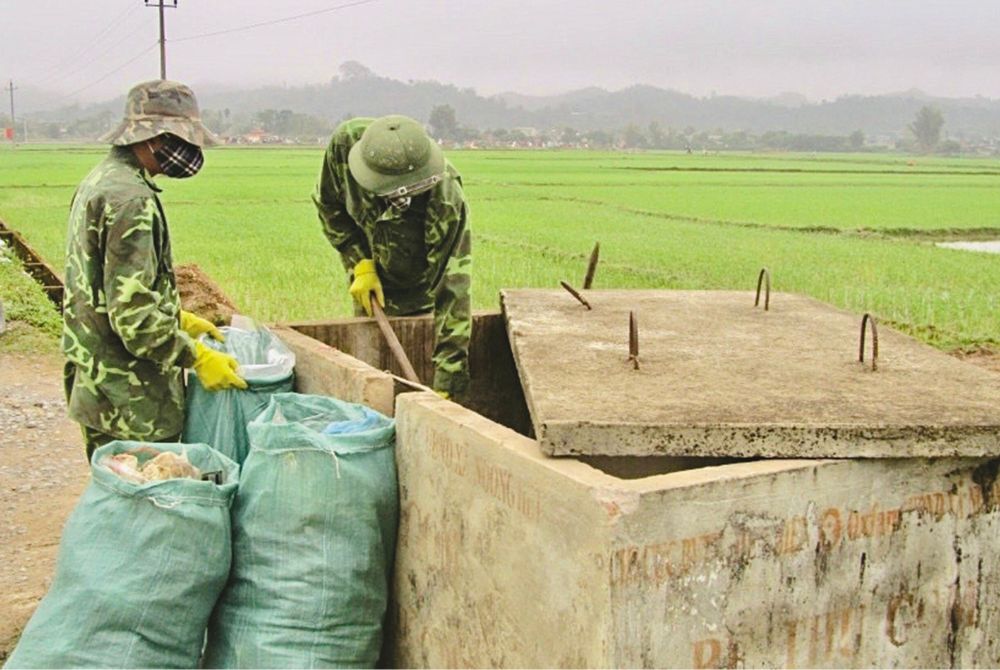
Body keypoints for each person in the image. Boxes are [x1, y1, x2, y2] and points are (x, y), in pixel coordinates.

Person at [63, 79, 246, 460]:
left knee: (117, 498)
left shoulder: (101, 181)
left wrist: (175, 316)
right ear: (154, 139)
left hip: (98, 385)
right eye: (181, 139)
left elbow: (104, 287)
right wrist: (195, 354)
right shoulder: (132, 200)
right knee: (147, 508)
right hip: (132, 402)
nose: (189, 151)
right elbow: (133, 317)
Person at [313, 115, 471, 399]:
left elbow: (452, 290)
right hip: (372, 287)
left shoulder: (444, 199)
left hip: (420, 296)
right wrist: (360, 263)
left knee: (416, 352)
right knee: (372, 373)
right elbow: (330, 207)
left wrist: (447, 384)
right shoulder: (347, 144)